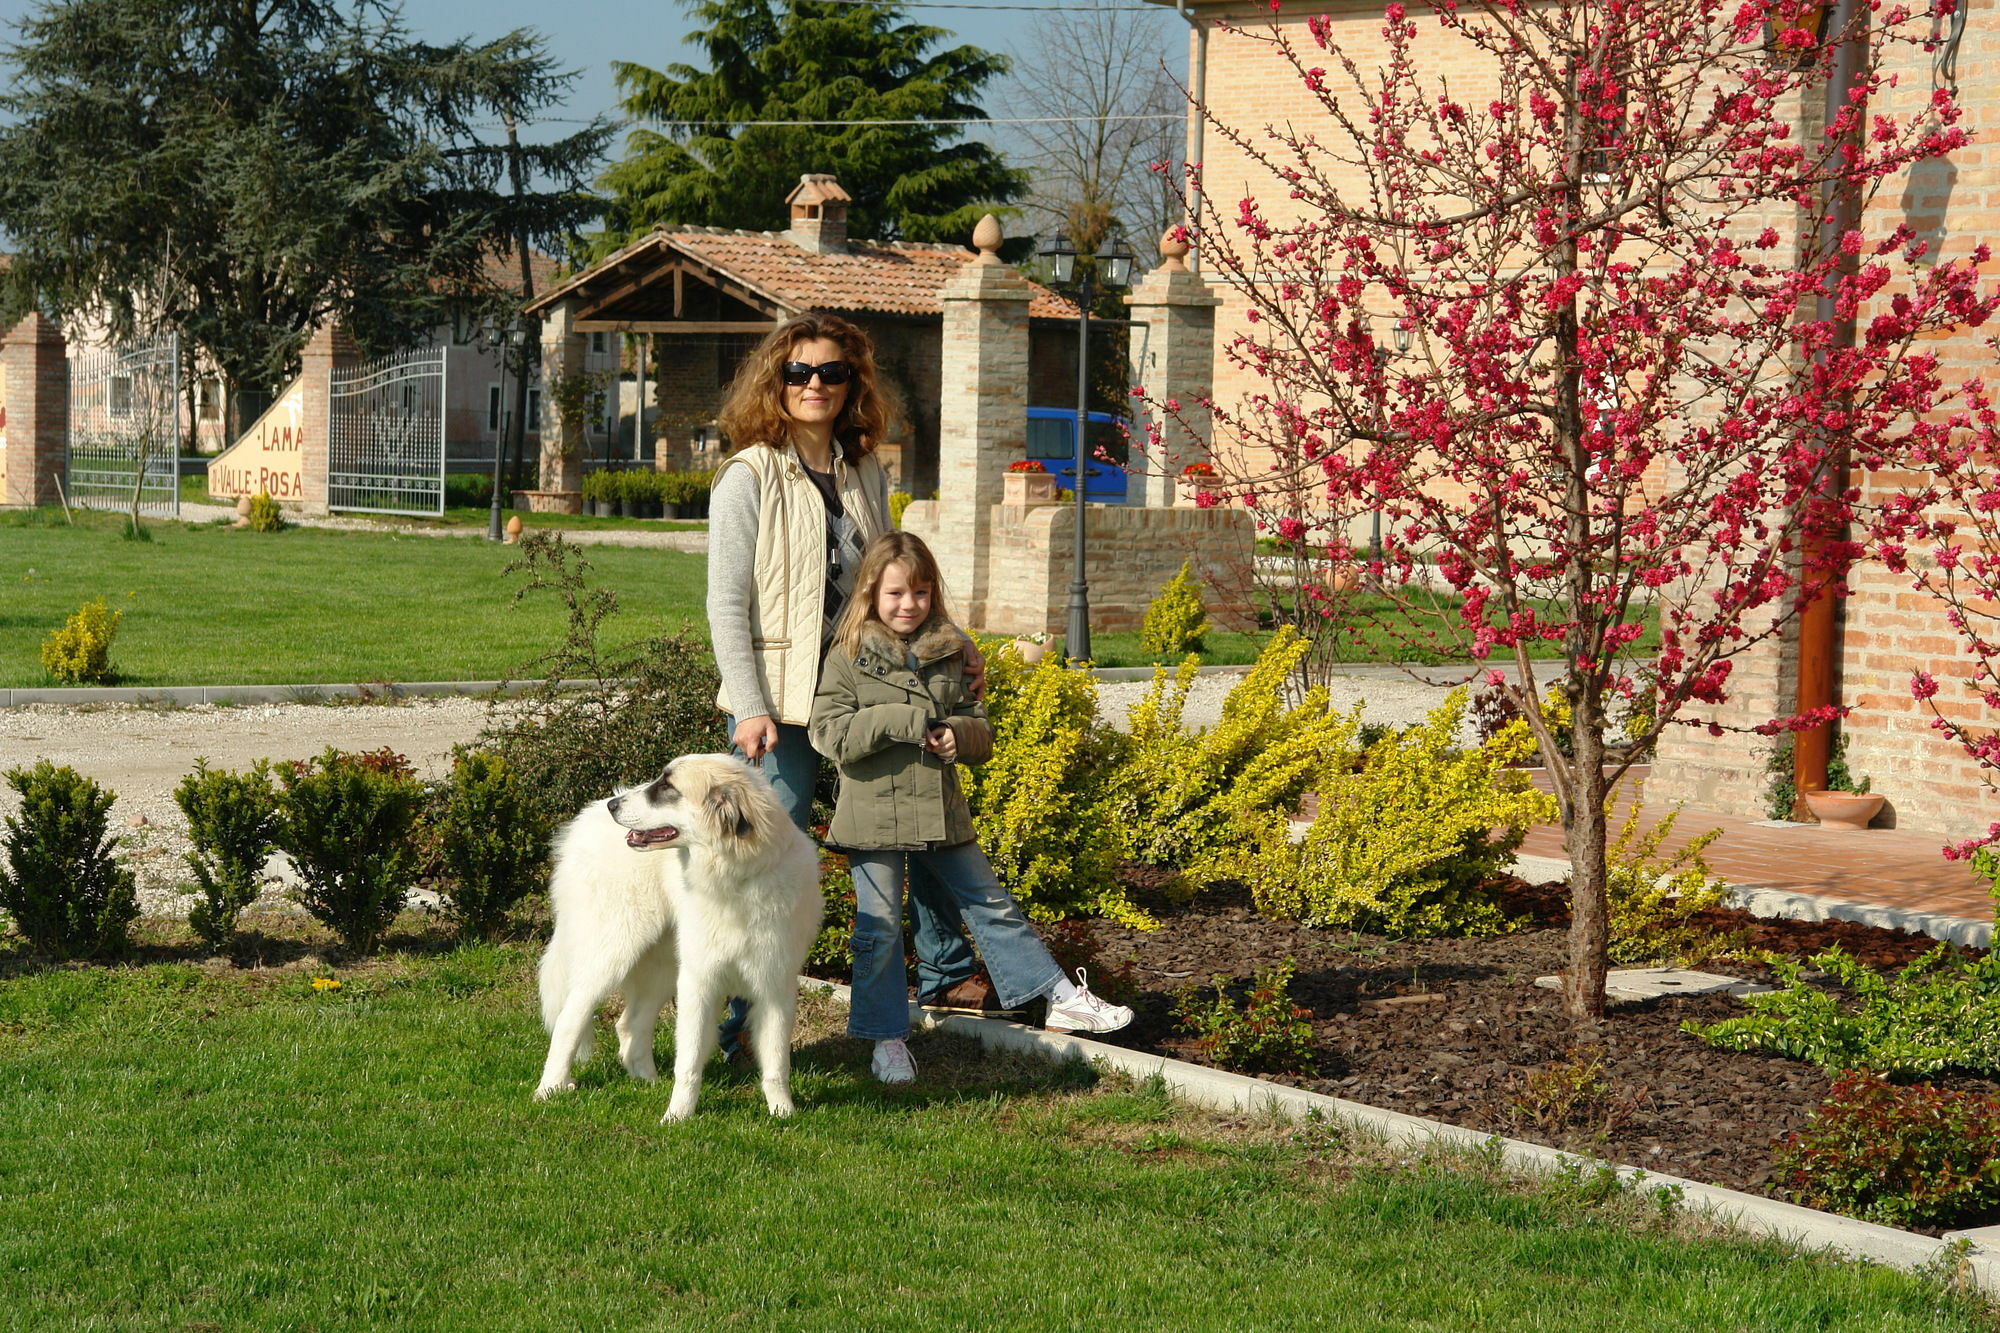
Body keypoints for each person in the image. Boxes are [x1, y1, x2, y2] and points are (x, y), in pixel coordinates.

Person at [706, 312, 999, 1047]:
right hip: (779, 703)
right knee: (766, 859)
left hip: (873, 695)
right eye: (799, 371)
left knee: (921, 822)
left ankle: (945, 974)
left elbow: (893, 579)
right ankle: (739, 1024)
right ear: (776, 380)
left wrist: (951, 639)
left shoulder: (867, 468)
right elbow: (724, 602)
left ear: (851, 382)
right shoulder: (749, 474)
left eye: (831, 372)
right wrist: (748, 705)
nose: (815, 385)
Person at [809, 531, 1132, 1085]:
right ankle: (886, 1039)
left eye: (921, 593)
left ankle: (1058, 996)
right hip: (872, 818)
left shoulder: (950, 650)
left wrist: (961, 735)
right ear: (871, 595)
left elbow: (978, 723)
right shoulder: (846, 657)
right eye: (895, 595)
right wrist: (903, 720)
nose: (908, 605)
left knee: (991, 903)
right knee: (880, 928)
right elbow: (829, 734)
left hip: (940, 810)